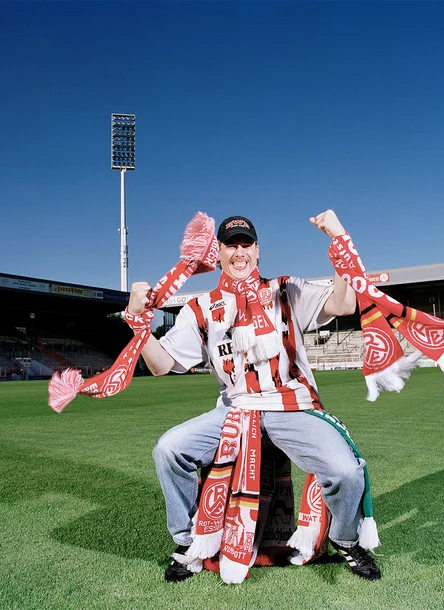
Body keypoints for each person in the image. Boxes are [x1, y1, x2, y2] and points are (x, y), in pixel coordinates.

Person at [127, 210, 381, 583]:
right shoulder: (200, 308)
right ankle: (190, 542)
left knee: (345, 471)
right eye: (231, 246)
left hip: (290, 406)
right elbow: (161, 364)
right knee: (169, 449)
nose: (240, 252)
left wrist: (339, 240)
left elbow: (344, 305)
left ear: (258, 250)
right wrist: (138, 323)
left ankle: (345, 539)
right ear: (218, 253)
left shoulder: (285, 290)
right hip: (235, 411)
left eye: (246, 244)